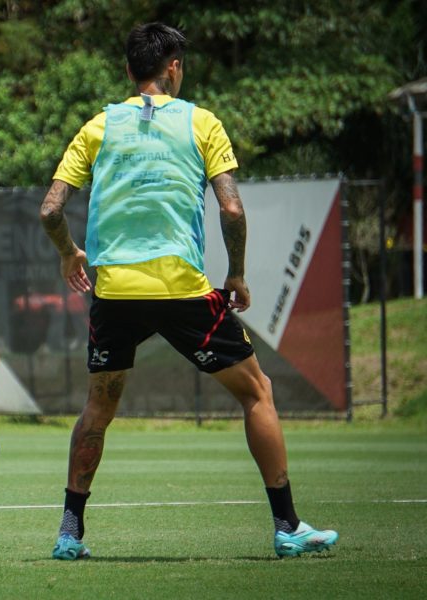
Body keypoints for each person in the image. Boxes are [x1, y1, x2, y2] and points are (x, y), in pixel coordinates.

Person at [38, 22, 339, 561]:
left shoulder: (98, 126)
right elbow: (231, 208)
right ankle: (288, 526)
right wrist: (238, 274)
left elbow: (51, 209)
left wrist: (69, 253)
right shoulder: (202, 122)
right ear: (172, 66)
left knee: (98, 409)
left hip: (115, 291)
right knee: (257, 392)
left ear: (130, 72)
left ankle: (69, 532)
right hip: (182, 288)